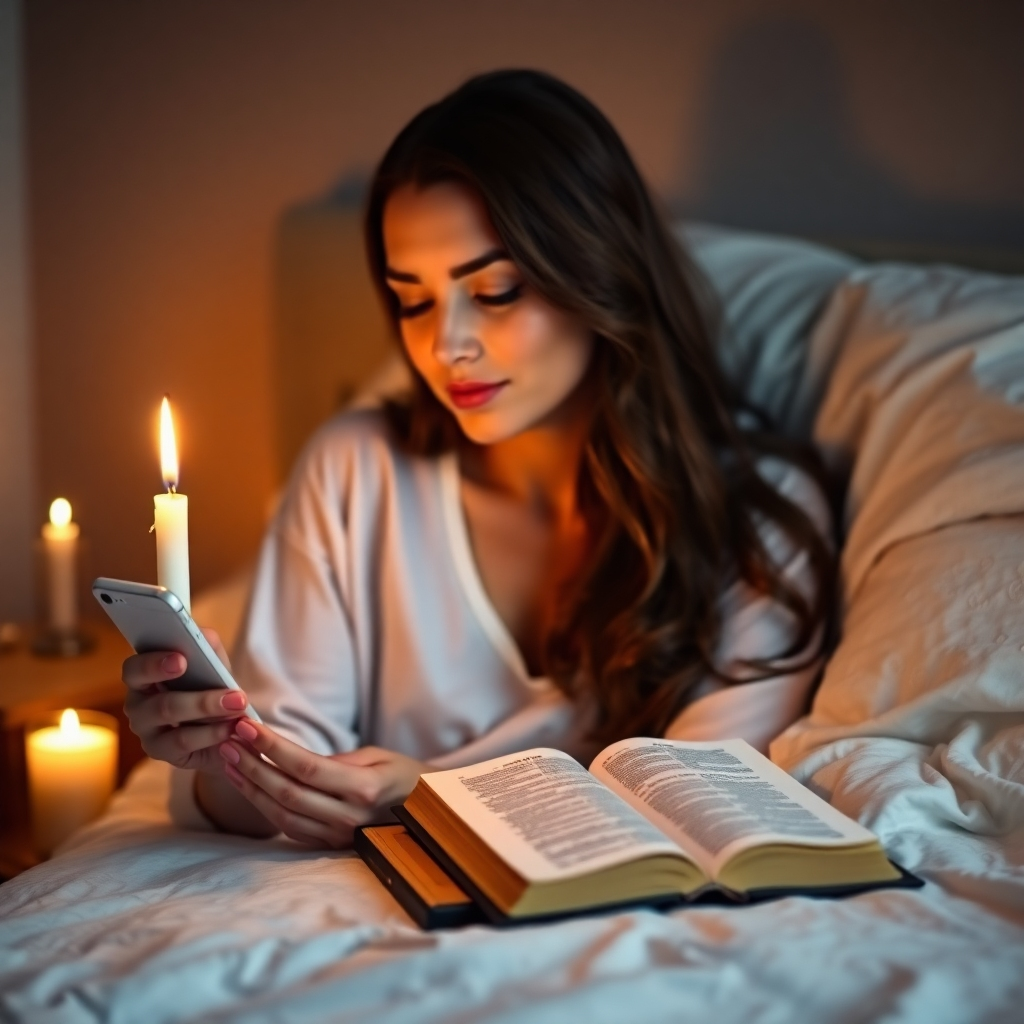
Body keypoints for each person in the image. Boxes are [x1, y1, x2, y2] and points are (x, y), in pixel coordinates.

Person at [122, 70, 835, 849]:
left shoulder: (756, 520)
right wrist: (217, 753)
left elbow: (706, 801)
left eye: (494, 291)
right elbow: (288, 783)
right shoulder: (358, 470)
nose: (445, 345)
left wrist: (428, 797)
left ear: (598, 274)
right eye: (412, 300)